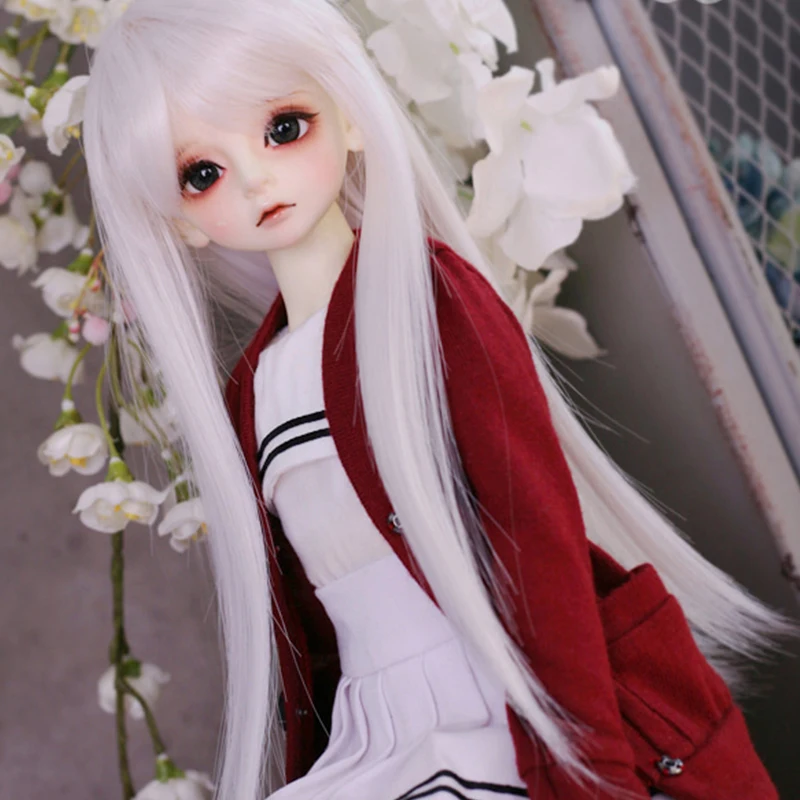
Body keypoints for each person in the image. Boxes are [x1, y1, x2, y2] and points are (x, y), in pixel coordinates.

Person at [82, 0, 788, 797]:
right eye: (202, 174)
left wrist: (585, 767)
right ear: (180, 221)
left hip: (503, 695)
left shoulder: (428, 302)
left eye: (283, 128)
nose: (255, 178)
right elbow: (309, 635)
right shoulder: (254, 390)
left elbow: (538, 543)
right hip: (374, 726)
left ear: (350, 119)